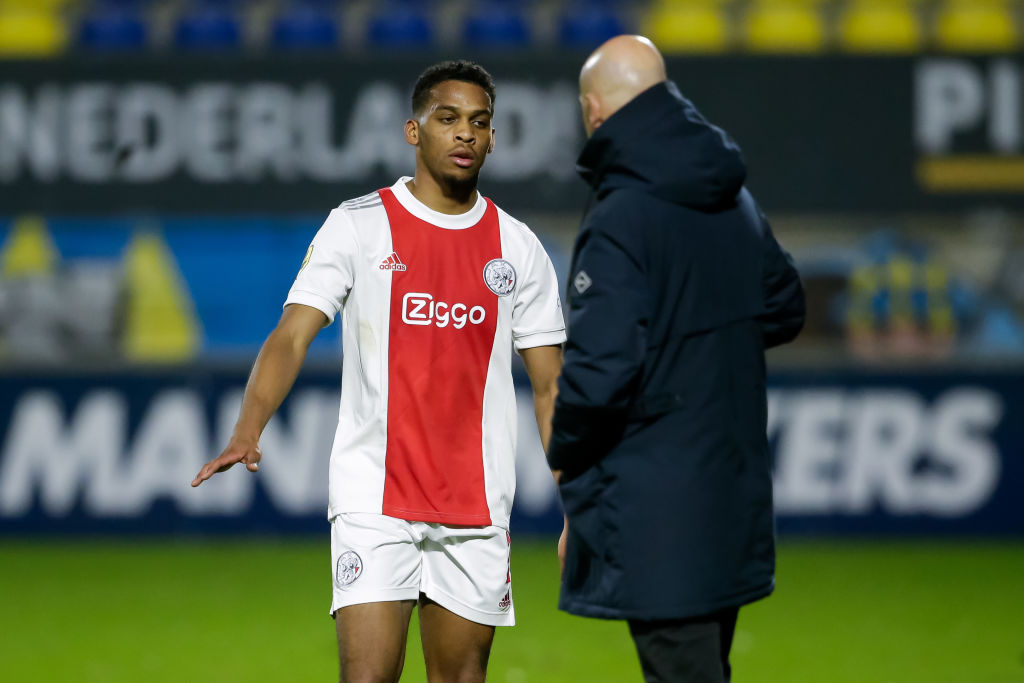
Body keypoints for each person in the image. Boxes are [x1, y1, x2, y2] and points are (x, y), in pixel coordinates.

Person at [192, 60, 566, 683]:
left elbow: (552, 387)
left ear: (494, 138)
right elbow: (291, 335)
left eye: (479, 122)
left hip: (476, 506)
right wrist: (248, 427)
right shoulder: (360, 224)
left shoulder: (518, 247)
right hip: (374, 499)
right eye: (447, 119)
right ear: (414, 131)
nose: (465, 134)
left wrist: (577, 502)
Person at [546, 36, 805, 683]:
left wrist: (568, 469)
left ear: (595, 114)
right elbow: (784, 307)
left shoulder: (620, 215)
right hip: (732, 489)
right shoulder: (733, 197)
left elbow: (600, 371)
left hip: (657, 507)